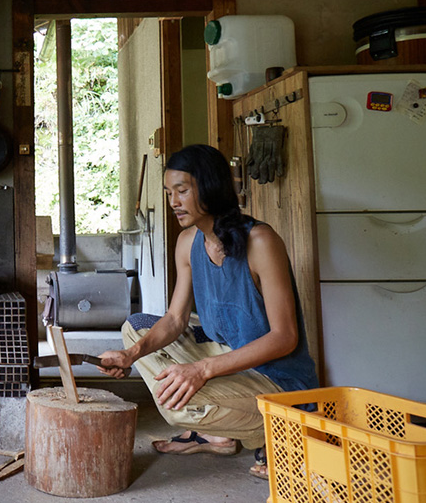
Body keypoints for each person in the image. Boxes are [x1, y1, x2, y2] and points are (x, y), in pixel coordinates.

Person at [97, 144, 318, 479]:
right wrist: (131, 355)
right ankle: (220, 432)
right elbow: (174, 320)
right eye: (170, 192)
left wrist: (202, 370)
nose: (174, 202)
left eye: (182, 191)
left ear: (210, 186)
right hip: (228, 355)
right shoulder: (187, 243)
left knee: (180, 405)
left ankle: (276, 435)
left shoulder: (260, 241)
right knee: (137, 327)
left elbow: (285, 337)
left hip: (277, 379)